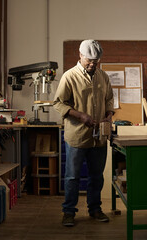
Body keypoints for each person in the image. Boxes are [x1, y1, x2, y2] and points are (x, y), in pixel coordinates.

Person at [53, 39, 114, 226]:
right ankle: (69, 212)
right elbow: (58, 103)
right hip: (77, 136)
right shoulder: (69, 76)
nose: (93, 64)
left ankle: (95, 209)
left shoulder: (103, 76)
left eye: (96, 61)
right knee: (72, 176)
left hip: (99, 139)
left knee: (97, 176)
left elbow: (110, 100)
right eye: (89, 60)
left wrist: (108, 117)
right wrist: (80, 116)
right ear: (80, 55)